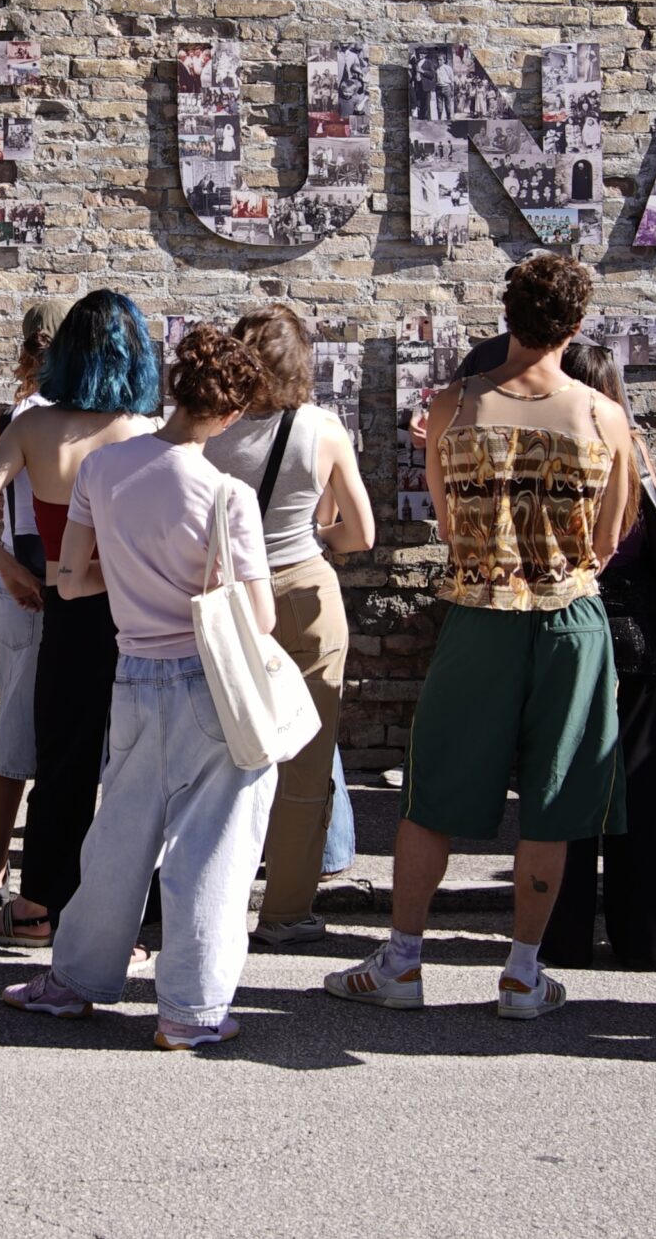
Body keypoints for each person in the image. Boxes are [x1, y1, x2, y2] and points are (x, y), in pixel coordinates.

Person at [324, 253, 636, 1021]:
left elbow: (443, 514)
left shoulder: (453, 405)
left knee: (433, 792)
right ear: (576, 324)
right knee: (555, 800)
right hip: (570, 619)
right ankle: (522, 974)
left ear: (508, 315)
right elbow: (609, 539)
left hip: (479, 607)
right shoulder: (604, 417)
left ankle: (403, 961)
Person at [0, 326, 276, 1049]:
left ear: (174, 388)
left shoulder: (102, 468)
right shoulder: (227, 495)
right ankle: (190, 1009)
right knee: (210, 848)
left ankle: (74, 980)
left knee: (117, 839)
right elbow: (259, 618)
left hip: (132, 673)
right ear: (232, 413)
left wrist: (129, 575)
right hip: (207, 683)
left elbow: (70, 579)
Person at [0, 292, 160, 943]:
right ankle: (124, 918)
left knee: (62, 767)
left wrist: (11, 570)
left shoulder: (33, 427)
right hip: (139, 616)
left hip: (67, 612)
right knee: (135, 770)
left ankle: (38, 907)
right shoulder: (147, 432)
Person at [206, 305, 372, 946]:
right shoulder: (321, 429)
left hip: (228, 597)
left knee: (220, 754)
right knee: (306, 758)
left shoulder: (209, 429)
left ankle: (212, 899)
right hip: (303, 588)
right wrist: (316, 532)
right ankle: (286, 912)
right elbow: (360, 534)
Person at [543, 344, 656, 968]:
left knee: (567, 782)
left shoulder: (553, 448)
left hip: (576, 621)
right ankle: (643, 940)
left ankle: (564, 936)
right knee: (644, 790)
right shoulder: (636, 448)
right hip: (644, 632)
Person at [0, 296, 69, 900]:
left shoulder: (9, 416)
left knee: (14, 718)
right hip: (62, 580)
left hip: (17, 580)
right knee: (58, 727)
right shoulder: (80, 417)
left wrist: (6, 568)